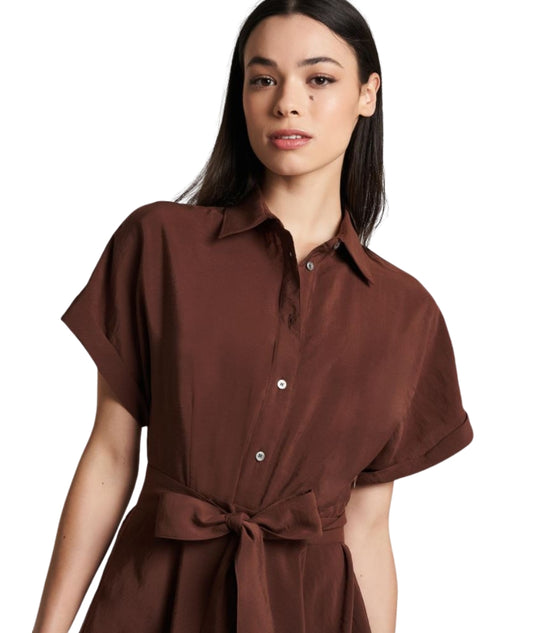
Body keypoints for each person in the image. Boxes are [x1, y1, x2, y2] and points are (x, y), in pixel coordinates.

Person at [33, 1, 474, 632]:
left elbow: (368, 529)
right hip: (153, 603)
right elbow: (109, 455)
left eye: (319, 79)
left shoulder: (407, 314)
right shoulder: (160, 245)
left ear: (368, 94)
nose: (288, 103)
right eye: (264, 78)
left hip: (307, 613)